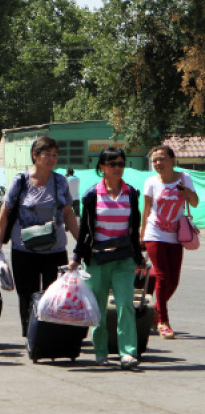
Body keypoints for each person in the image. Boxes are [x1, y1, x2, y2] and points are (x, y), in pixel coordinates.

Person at [0, 136, 79, 337]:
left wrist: (81, 242)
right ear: (35, 155)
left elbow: (68, 213)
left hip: (54, 250)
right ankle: (31, 336)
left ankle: (49, 335)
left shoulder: (60, 181)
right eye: (47, 154)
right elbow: (5, 212)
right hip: (24, 249)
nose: (52, 159)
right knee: (27, 295)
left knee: (53, 295)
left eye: (55, 155)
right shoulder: (20, 181)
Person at [70, 147, 144, 369]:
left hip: (124, 259)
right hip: (97, 259)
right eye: (112, 164)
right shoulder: (92, 195)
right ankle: (101, 352)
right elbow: (84, 229)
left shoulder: (131, 193)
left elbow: (134, 229)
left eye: (120, 164)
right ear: (102, 167)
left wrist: (139, 256)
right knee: (98, 308)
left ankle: (128, 353)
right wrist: (77, 256)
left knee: (125, 305)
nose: (117, 168)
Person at [140, 144, 199, 339]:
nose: (158, 163)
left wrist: (186, 192)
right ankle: (163, 322)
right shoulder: (150, 182)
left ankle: (155, 310)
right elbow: (146, 210)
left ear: (172, 160)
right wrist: (141, 235)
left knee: (173, 280)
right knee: (163, 275)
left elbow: (194, 202)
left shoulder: (184, 178)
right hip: (154, 233)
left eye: (162, 159)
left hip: (176, 235)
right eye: (155, 160)